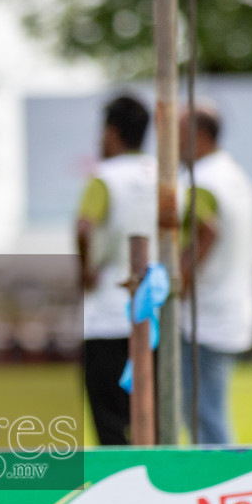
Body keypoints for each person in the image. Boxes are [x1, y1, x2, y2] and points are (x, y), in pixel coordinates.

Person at [77, 95, 157, 446]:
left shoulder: (104, 177)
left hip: (109, 311)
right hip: (155, 313)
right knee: (153, 422)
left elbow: (83, 227)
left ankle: (118, 494)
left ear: (111, 133)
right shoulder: (167, 174)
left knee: (111, 426)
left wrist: (86, 270)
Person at [181, 102, 252, 446]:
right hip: (232, 306)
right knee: (208, 410)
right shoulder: (233, 175)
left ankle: (221, 486)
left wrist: (178, 282)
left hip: (204, 313)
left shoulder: (203, 180)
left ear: (199, 136)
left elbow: (206, 231)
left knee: (203, 414)